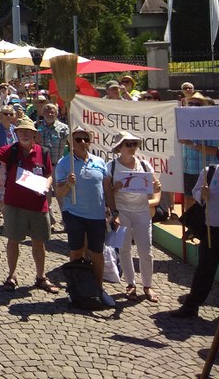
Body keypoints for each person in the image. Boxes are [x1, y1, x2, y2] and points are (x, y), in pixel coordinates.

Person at [0, 117, 56, 293]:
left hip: (37, 205)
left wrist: (47, 186)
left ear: (34, 134)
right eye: (21, 131)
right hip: (15, 204)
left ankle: (41, 276)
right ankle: (11, 275)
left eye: (28, 132)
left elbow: (49, 174)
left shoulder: (44, 152)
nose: (25, 134)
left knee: (39, 242)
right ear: (16, 133)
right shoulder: (11, 150)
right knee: (13, 241)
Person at [171, 139, 219, 318]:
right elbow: (197, 194)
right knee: (204, 271)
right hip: (213, 232)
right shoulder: (209, 172)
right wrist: (202, 194)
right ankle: (190, 307)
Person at [55, 125, 112, 303]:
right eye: (78, 139)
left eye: (85, 139)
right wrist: (68, 185)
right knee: (76, 251)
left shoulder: (99, 162)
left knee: (97, 253)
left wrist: (113, 209)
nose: (82, 142)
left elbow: (107, 189)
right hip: (74, 213)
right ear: (71, 142)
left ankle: (98, 288)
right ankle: (75, 289)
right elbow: (59, 193)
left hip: (97, 215)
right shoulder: (64, 163)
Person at [105, 131, 161, 303]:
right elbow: (107, 194)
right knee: (124, 250)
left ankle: (147, 285)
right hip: (122, 212)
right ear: (119, 147)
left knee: (146, 251)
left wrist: (154, 195)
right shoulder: (111, 167)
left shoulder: (145, 166)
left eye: (134, 144)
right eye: (128, 144)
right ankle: (130, 284)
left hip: (142, 212)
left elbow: (157, 192)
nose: (132, 147)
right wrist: (115, 192)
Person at [38, 102, 69, 229]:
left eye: (52, 112)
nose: (49, 114)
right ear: (43, 113)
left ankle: (66, 221)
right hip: (42, 167)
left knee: (62, 196)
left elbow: (71, 144)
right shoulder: (38, 127)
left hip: (58, 166)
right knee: (46, 196)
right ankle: (49, 220)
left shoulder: (63, 128)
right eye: (47, 112)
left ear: (56, 113)